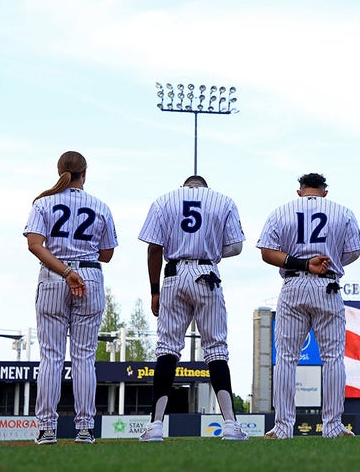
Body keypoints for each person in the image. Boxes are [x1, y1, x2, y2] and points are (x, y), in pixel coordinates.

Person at [137, 175, 248, 442]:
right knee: (216, 348)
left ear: (185, 186)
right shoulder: (222, 201)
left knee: (167, 348)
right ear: (204, 188)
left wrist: (154, 290)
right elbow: (236, 246)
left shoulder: (164, 200)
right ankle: (230, 425)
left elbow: (154, 249)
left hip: (173, 275)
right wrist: (209, 245)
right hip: (206, 271)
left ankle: (155, 426)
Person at [258, 173, 360, 439]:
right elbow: (353, 252)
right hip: (327, 285)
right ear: (324, 192)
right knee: (333, 358)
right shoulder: (342, 211)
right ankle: (332, 426)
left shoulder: (282, 211)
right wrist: (329, 262)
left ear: (300, 191)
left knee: (286, 358)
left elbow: (267, 252)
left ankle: (282, 427)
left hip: (293, 285)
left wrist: (302, 263)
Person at [24, 151, 118, 445]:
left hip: (55, 276)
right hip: (89, 276)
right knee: (84, 357)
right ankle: (85, 429)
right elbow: (107, 254)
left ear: (59, 172)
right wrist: (76, 267)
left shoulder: (43, 203)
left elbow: (34, 245)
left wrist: (65, 271)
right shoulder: (100, 205)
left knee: (51, 356)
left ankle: (47, 429)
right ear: (84, 173)